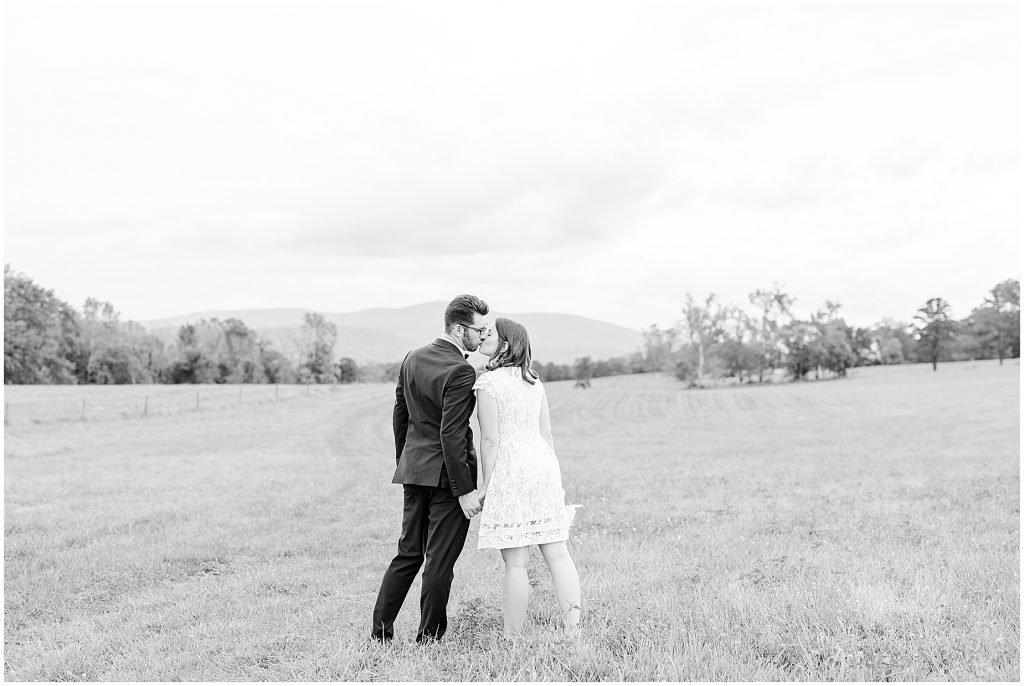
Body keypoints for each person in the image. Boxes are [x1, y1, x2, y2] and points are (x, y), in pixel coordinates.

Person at [371, 294, 490, 643]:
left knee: (408, 552)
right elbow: (452, 434)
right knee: (439, 560)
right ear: (458, 328)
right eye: (478, 329)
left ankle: (380, 632)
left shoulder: (412, 357)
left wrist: (406, 462)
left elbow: (400, 415)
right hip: (447, 477)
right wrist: (464, 489)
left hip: (415, 470)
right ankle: (429, 638)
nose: (482, 336)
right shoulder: (460, 369)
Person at [473, 317, 581, 636]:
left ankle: (512, 636)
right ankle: (573, 632)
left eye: (489, 333)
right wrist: (553, 476)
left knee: (516, 562)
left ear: (505, 344)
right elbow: (545, 433)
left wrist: (485, 485)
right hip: (542, 463)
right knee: (558, 554)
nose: (482, 337)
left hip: (510, 467)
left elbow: (490, 440)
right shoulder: (534, 380)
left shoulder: (488, 384)